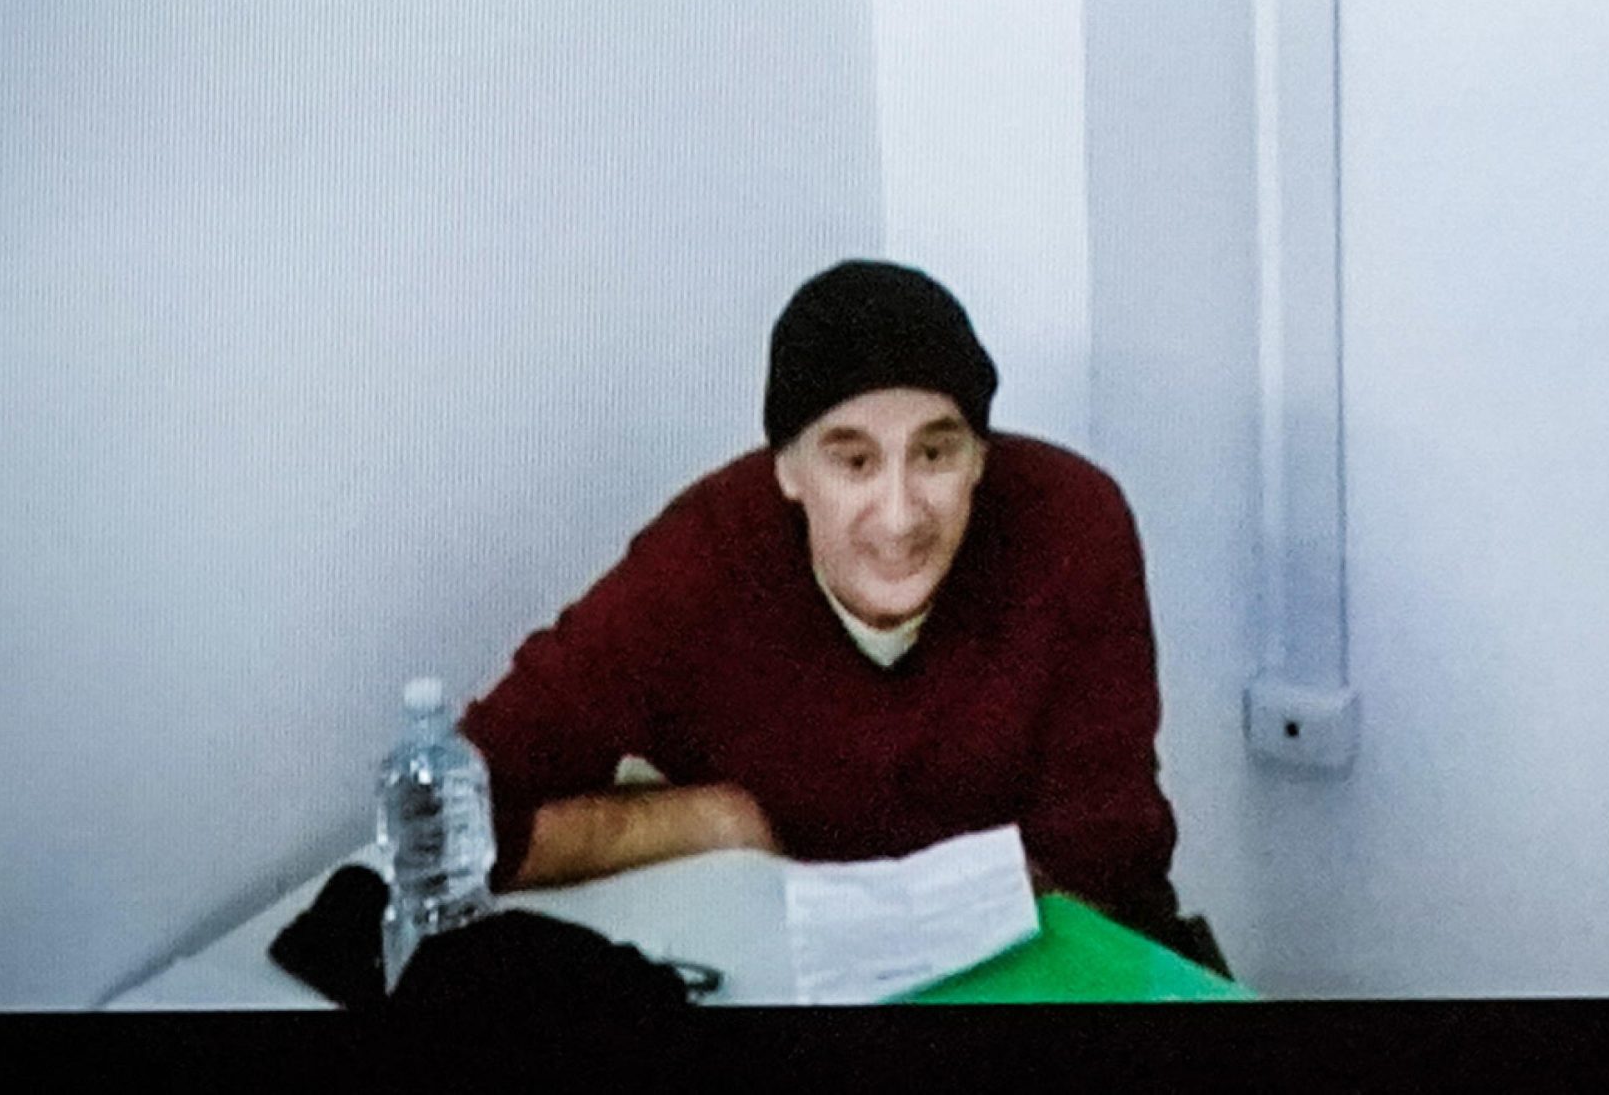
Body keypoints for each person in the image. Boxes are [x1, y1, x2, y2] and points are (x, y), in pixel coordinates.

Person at [458, 259, 1185, 946]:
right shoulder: (707, 552)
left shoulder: (1070, 521)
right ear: (786, 471)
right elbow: (458, 808)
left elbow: (1114, 860)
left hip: (1046, 954)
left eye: (935, 453)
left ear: (980, 457)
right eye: (854, 461)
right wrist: (709, 821)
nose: (899, 515)